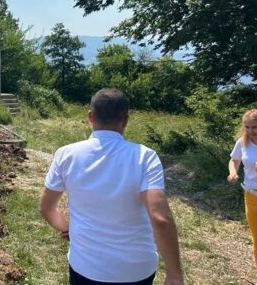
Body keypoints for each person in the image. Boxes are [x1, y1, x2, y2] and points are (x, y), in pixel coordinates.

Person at [39, 88, 184, 285]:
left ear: (90, 116)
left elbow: (46, 208)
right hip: (136, 270)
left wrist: (66, 228)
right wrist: (175, 275)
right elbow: (160, 218)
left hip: (86, 267)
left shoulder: (66, 154)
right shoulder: (145, 157)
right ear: (125, 120)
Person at [227, 108, 257, 285]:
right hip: (251, 196)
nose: (250, 131)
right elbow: (234, 160)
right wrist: (233, 172)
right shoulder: (243, 142)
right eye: (247, 127)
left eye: (254, 127)